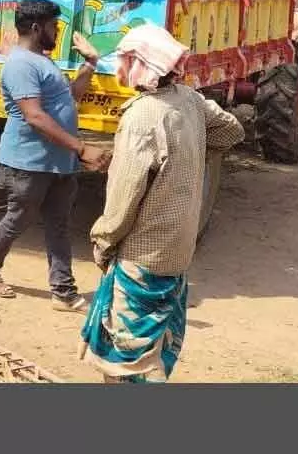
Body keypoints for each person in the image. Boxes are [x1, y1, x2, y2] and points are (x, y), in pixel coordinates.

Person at [79, 25, 243, 383]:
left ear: (139, 66)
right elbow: (233, 130)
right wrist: (193, 151)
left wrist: (102, 241)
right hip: (177, 252)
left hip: (141, 254)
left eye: (123, 61)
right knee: (154, 343)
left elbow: (123, 200)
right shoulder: (190, 100)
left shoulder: (140, 118)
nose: (118, 69)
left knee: (127, 358)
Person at [0, 0, 110, 312]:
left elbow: (69, 97)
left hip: (57, 162)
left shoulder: (43, 62)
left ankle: (63, 292)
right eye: (53, 26)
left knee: (58, 224)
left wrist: (90, 64)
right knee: (18, 219)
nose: (58, 31)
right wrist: (81, 147)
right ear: (37, 28)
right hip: (28, 163)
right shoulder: (21, 64)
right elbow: (34, 116)